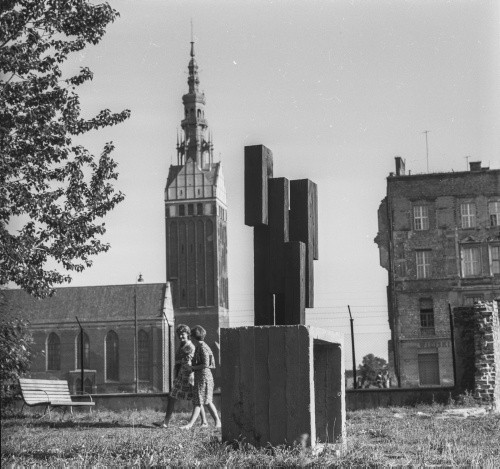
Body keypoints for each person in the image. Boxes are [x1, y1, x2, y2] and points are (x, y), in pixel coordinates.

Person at [153, 324, 206, 427]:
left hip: (190, 376)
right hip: (182, 376)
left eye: (183, 334)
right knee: (172, 396)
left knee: (196, 398)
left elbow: (191, 363)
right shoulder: (182, 346)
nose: (181, 336)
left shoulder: (190, 346)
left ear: (188, 334)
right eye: (179, 334)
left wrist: (192, 375)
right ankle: (165, 422)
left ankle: (204, 421)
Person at [180, 325, 221, 429]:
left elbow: (205, 364)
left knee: (200, 402)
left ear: (193, 337)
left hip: (204, 377)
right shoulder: (200, 347)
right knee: (206, 401)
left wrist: (192, 368)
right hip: (201, 377)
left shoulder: (202, 347)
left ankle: (190, 424)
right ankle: (217, 422)